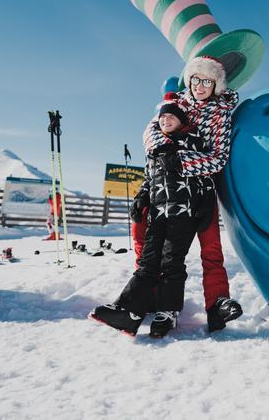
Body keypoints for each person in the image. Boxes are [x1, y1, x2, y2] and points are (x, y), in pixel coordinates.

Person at [130, 55, 242, 334]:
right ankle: (151, 295)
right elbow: (150, 132)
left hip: (200, 190)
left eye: (207, 81)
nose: (200, 86)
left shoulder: (220, 114)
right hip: (164, 187)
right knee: (145, 235)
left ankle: (217, 302)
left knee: (211, 247)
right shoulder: (176, 103)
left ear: (216, 85)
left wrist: (180, 160)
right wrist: (163, 153)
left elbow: (218, 158)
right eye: (196, 79)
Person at [90, 99, 215, 337]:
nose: (165, 120)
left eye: (171, 117)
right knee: (147, 262)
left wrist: (206, 206)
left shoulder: (193, 144)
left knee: (171, 262)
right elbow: (149, 179)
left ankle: (168, 313)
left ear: (182, 121)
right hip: (158, 214)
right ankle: (129, 312)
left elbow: (206, 178)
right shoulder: (155, 149)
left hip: (183, 214)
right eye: (162, 117)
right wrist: (141, 198)